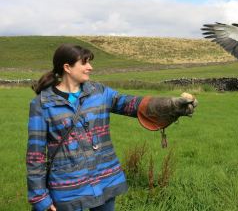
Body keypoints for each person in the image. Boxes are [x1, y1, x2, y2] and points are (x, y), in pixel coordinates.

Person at [27, 43, 198, 211]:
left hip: (105, 178)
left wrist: (171, 105)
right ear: (67, 67)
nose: (90, 67)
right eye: (84, 63)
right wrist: (40, 198)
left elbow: (132, 104)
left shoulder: (99, 92)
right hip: (68, 187)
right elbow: (35, 155)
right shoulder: (42, 104)